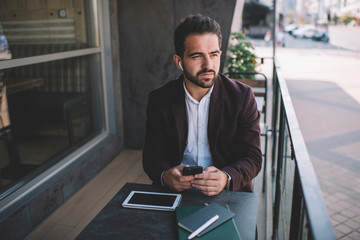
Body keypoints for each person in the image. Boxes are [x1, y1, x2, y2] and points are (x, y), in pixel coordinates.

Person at [142, 14, 262, 196]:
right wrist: (166, 176)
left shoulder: (242, 97)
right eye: (197, 56)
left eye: (214, 55)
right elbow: (152, 157)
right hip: (175, 193)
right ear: (179, 61)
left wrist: (226, 178)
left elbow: (252, 157)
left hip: (227, 192)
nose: (208, 65)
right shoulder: (160, 99)